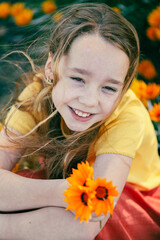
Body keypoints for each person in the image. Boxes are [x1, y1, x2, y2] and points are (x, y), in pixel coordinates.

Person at [0, 2, 159, 240]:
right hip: (69, 187)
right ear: (51, 67)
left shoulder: (127, 115)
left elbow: (88, 221)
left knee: (65, 210)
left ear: (124, 87)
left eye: (108, 88)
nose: (89, 100)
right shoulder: (36, 94)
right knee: (27, 187)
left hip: (131, 200)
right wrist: (60, 191)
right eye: (78, 79)